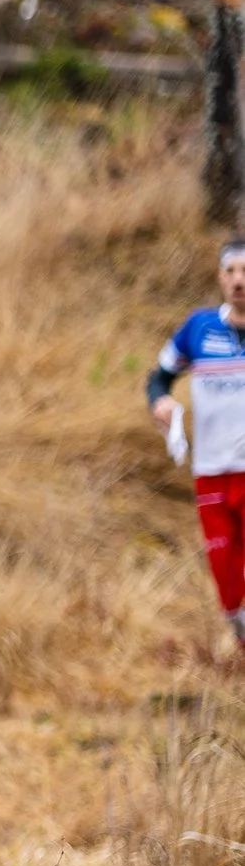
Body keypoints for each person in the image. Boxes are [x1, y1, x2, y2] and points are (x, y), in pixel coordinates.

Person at [151, 238, 245, 650]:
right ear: (219, 277)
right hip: (210, 473)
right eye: (231, 272)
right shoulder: (199, 328)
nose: (239, 281)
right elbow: (158, 376)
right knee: (226, 577)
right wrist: (161, 401)